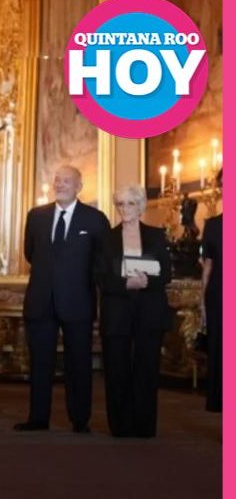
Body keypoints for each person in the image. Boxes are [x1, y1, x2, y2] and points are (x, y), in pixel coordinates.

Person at [14, 165, 110, 434]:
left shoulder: (95, 219)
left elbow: (101, 260)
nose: (60, 184)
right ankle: (38, 418)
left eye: (67, 181)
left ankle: (80, 420)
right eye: (57, 180)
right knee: (40, 363)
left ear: (79, 186)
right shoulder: (36, 216)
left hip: (78, 302)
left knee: (78, 363)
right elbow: (30, 253)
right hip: (41, 301)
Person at [96, 185, 171, 437]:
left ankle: (144, 426)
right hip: (116, 312)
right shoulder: (106, 238)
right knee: (116, 369)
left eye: (130, 203)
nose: (125, 208)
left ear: (140, 206)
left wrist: (147, 281)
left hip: (149, 312)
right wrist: (126, 284)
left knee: (147, 369)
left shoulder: (156, 235)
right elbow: (99, 276)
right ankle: (120, 426)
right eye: (120, 203)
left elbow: (166, 274)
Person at [201, 169, 222, 413]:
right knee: (219, 345)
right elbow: (208, 264)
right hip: (218, 293)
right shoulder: (213, 225)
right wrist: (203, 301)